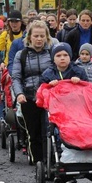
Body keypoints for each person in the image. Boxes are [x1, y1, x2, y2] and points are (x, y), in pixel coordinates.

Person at [12, 21, 54, 165]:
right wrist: (19, 94)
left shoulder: (51, 52)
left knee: (48, 132)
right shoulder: (21, 55)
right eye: (36, 36)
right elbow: (16, 77)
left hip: (49, 98)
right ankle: (39, 163)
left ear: (47, 37)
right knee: (33, 133)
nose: (39, 39)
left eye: (42, 36)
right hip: (29, 98)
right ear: (29, 37)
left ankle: (51, 161)